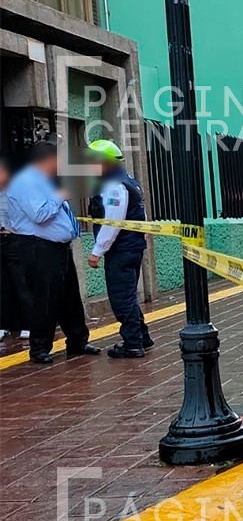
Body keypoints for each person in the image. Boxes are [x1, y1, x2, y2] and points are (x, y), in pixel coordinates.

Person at [5, 141, 99, 363]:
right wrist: (60, 196)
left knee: (69, 296)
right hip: (39, 247)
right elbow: (39, 214)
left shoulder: (44, 180)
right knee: (45, 299)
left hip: (57, 247)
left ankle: (77, 341)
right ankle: (39, 347)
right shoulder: (26, 181)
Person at [85, 139, 152, 358]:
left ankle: (132, 344)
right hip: (131, 246)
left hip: (121, 249)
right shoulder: (128, 180)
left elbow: (112, 223)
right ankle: (142, 336)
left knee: (121, 297)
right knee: (128, 294)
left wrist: (97, 252)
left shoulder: (114, 186)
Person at [0, 157, 31, 340]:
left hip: (14, 240)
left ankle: (28, 324)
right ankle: (5, 324)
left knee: (22, 284)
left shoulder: (15, 193)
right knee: (2, 286)